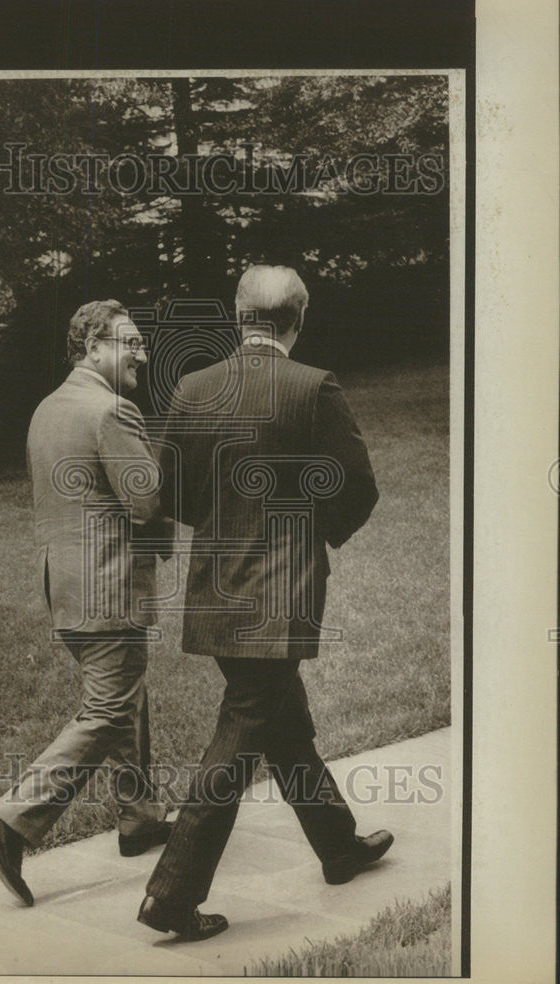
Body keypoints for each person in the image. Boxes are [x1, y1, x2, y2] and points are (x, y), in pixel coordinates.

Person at [137, 265, 393, 941]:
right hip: (278, 595)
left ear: (238, 315)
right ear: (296, 318)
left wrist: (225, 525)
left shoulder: (192, 387)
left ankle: (336, 845)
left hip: (215, 593)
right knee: (243, 731)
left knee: (281, 721)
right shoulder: (312, 386)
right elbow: (358, 486)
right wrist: (310, 529)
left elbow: (168, 490)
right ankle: (170, 895)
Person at [0, 300, 172, 907]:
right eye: (130, 342)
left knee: (122, 696)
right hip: (110, 588)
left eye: (142, 341)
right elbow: (145, 504)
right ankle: (10, 820)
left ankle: (139, 817)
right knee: (108, 710)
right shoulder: (113, 409)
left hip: (66, 587)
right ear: (92, 347)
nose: (142, 352)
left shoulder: (47, 409)